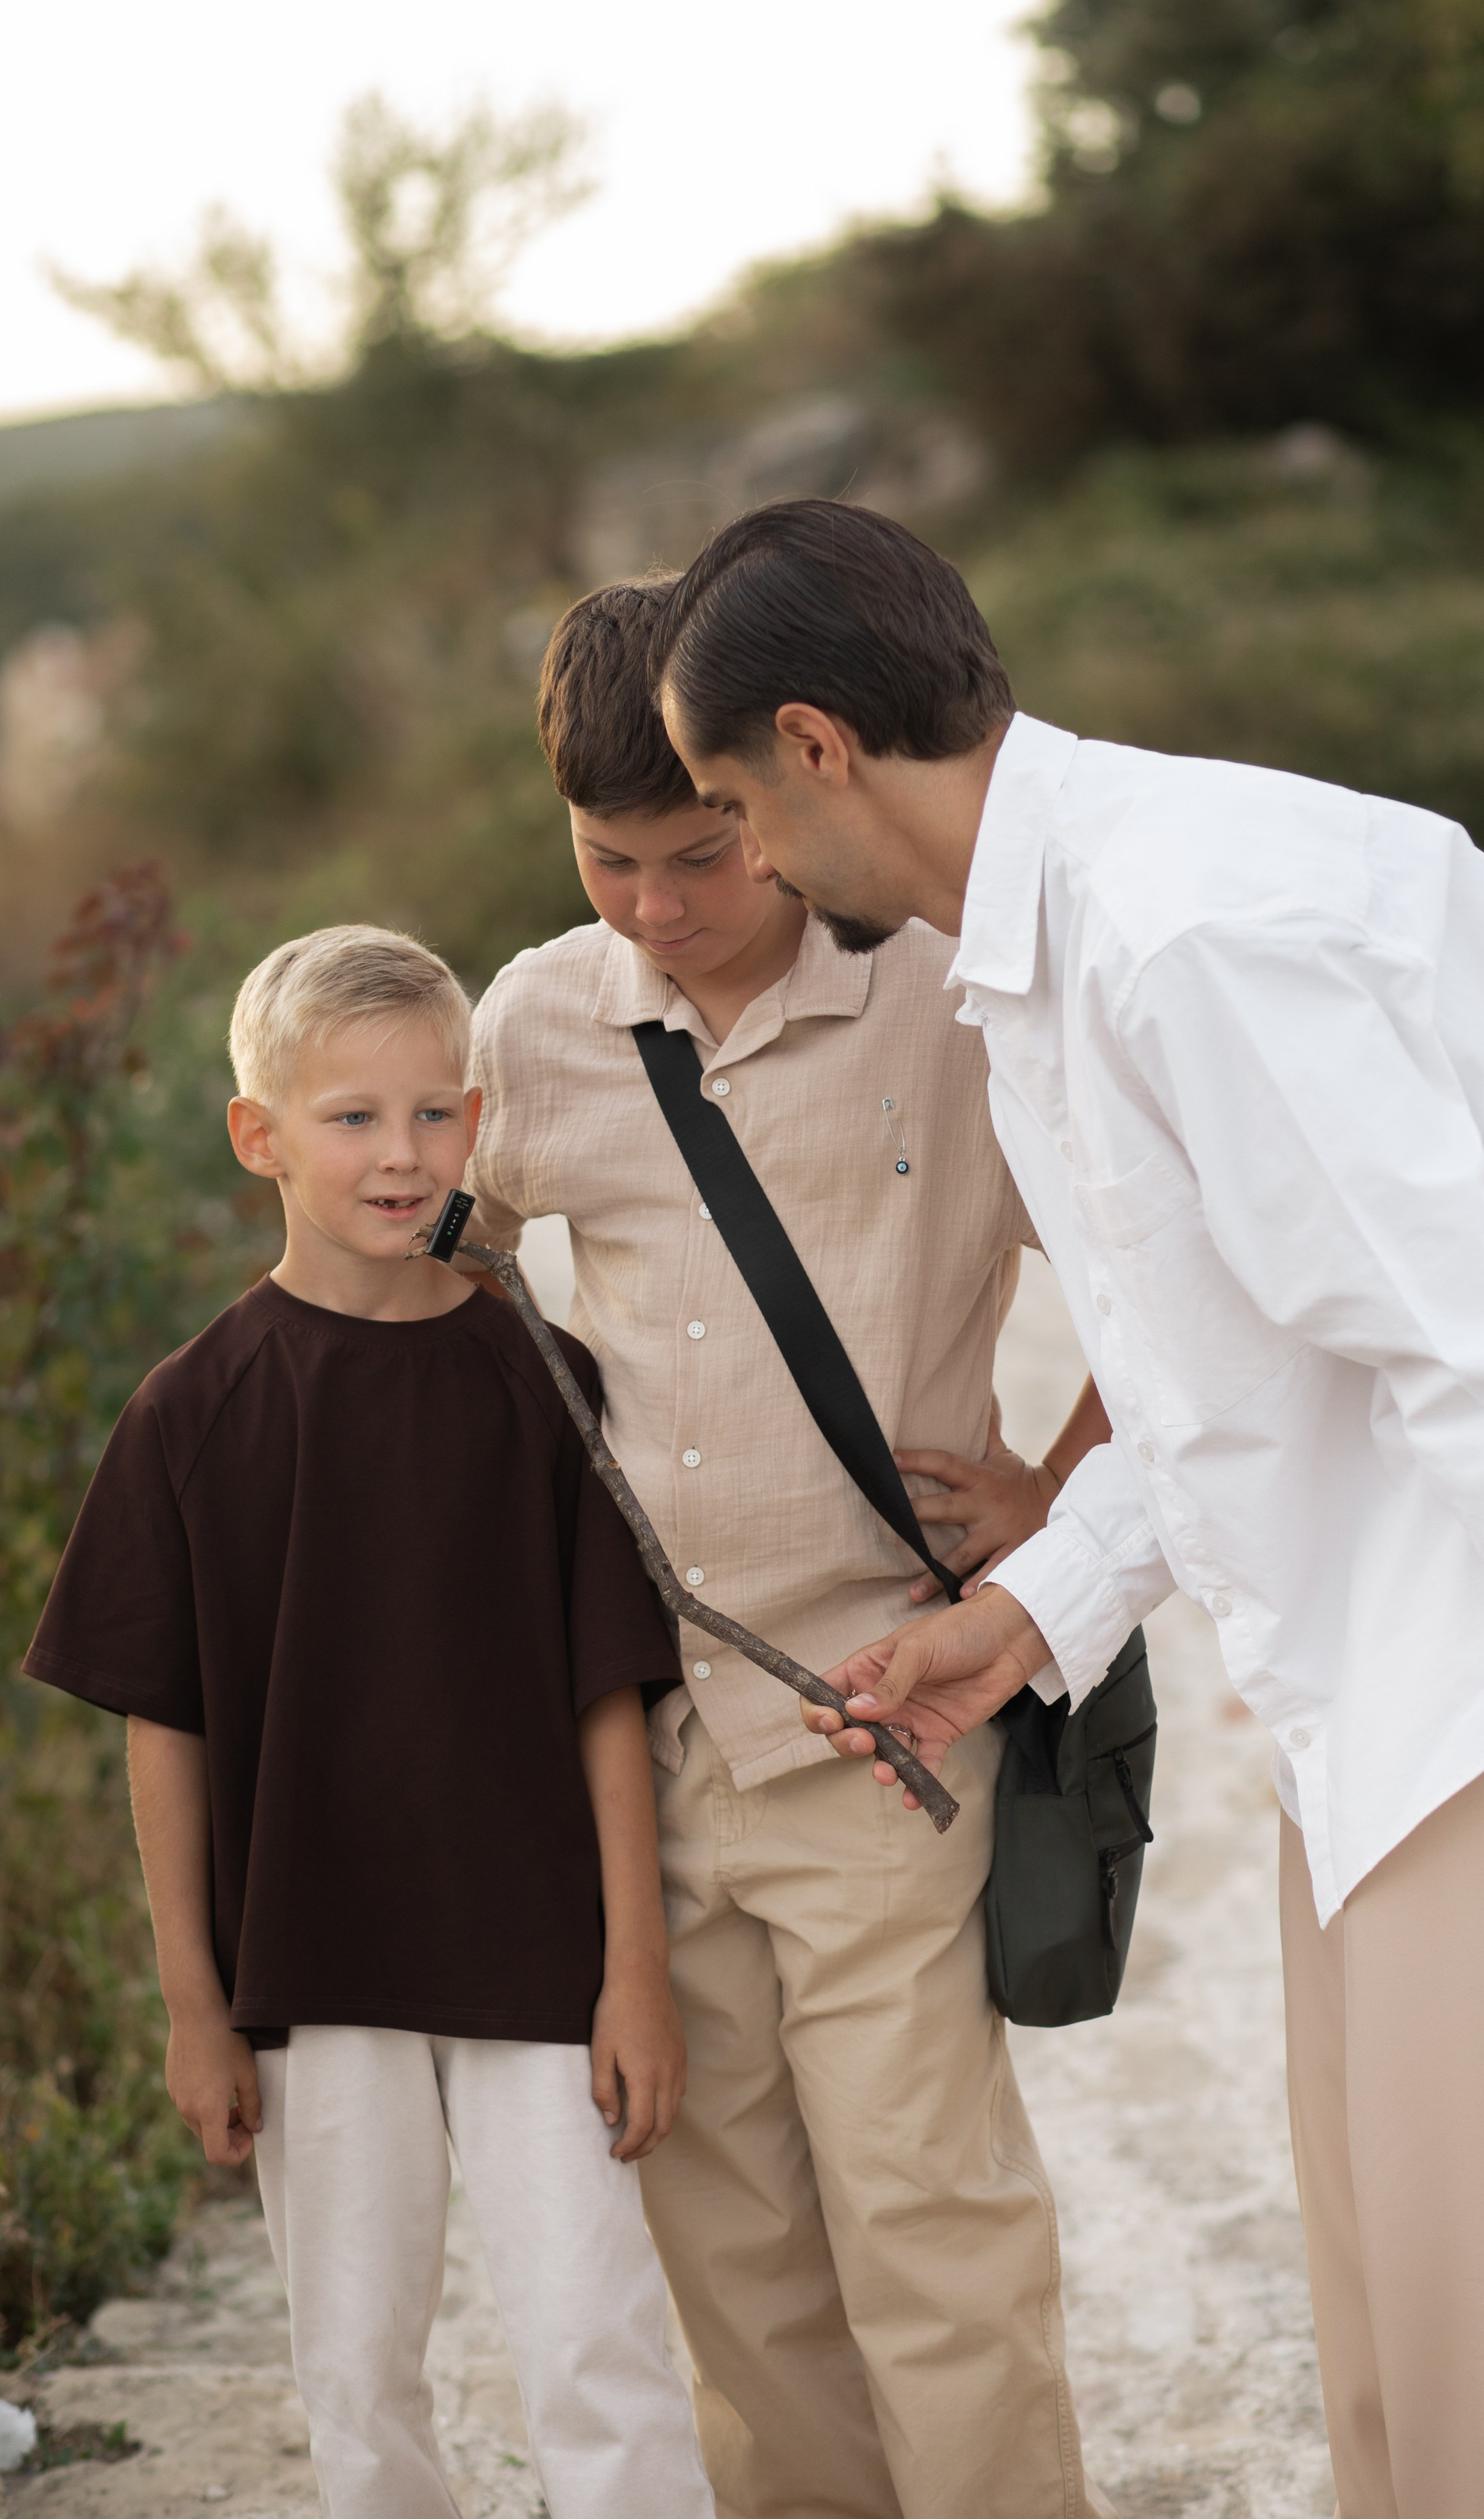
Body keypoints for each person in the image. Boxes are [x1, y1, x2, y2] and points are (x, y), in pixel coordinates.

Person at [648, 498, 1484, 2519]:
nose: (741, 859)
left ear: (818, 747)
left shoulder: (1187, 928)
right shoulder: (1055, 947)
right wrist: (1032, 1619)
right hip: (1441, 1610)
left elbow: (1479, 1352)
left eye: (731, 803)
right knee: (1398, 2281)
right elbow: (1237, 1374)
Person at [462, 579, 1116, 2519]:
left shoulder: (950, 990)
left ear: (781, 784)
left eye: (699, 853)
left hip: (888, 1717)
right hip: (639, 1731)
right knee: (729, 2252)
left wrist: (1056, 1499)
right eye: (608, 863)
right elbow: (447, 1287)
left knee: (930, 2229)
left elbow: (1178, 1293)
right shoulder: (532, 1018)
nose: (656, 908)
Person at [24, 925, 713, 2519]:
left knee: (594, 2351)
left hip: (545, 1966)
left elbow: (608, 1689)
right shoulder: (191, 1413)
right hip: (314, 1971)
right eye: (351, 1118)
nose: (399, 1157)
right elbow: (164, 1731)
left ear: (476, 1121)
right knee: (357, 2376)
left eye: (430, 1114)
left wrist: (637, 1969)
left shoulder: (542, 1378)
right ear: (259, 1136)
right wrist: (197, 2005)